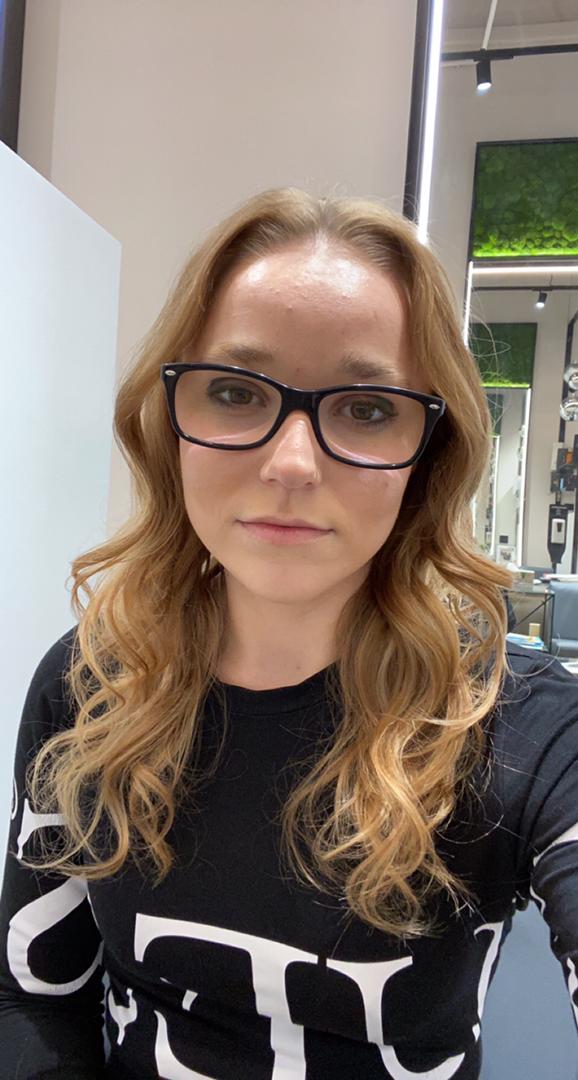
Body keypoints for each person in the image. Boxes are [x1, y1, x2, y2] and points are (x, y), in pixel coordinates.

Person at [0, 187, 577, 1080]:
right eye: (235, 392)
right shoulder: (92, 685)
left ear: (429, 454)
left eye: (367, 408)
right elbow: (35, 999)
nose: (292, 463)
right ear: (172, 422)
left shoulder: (521, 728)